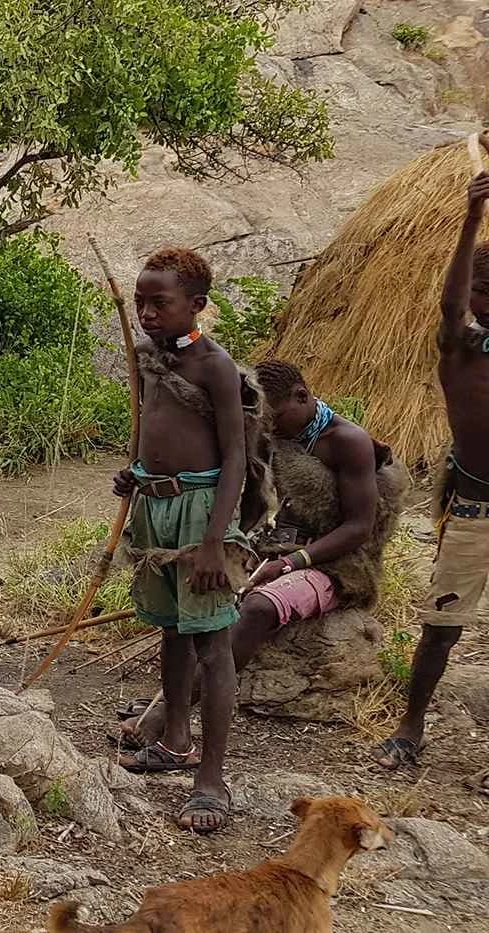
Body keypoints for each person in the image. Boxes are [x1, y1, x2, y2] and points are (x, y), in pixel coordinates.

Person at [116, 359, 404, 749]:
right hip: (277, 547)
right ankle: (177, 698)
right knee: (202, 592)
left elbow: (358, 529)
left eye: (276, 415)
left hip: (339, 566)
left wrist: (290, 564)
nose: (269, 424)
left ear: (302, 396)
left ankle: (166, 715)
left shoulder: (346, 441)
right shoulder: (274, 436)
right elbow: (251, 500)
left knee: (259, 608)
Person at [109, 247, 255, 834]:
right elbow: (153, 429)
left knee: (212, 645)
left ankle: (211, 780)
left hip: (200, 516)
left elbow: (236, 456)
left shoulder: (215, 366)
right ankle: (173, 741)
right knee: (172, 630)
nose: (146, 313)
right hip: (156, 509)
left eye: (159, 303)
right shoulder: (147, 357)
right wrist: (135, 473)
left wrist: (216, 541)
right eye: (140, 301)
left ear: (196, 305)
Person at [375, 170, 489, 774]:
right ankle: (410, 728)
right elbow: (449, 305)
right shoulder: (461, 349)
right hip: (473, 504)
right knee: (441, 625)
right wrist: (471, 218)